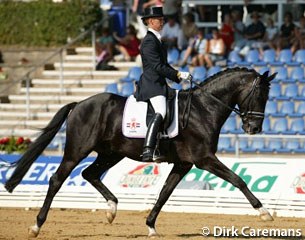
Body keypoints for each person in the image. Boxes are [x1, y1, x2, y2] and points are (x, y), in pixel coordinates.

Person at [134, 6, 191, 162]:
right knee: (161, 111)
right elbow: (157, 67)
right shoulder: (148, 42)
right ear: (151, 21)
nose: (162, 22)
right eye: (159, 19)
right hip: (152, 84)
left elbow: (163, 65)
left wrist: (179, 75)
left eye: (162, 19)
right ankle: (148, 149)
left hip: (160, 83)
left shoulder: (157, 40)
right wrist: (177, 74)